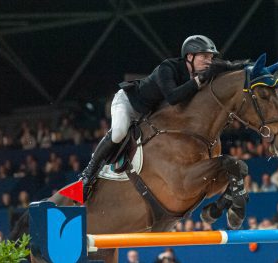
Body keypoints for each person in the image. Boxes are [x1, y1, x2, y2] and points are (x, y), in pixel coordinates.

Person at [78, 35, 246, 198]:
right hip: (129, 103)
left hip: (151, 114)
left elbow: (229, 67)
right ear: (190, 56)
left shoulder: (201, 71)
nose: (209, 61)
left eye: (211, 57)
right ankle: (87, 176)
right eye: (204, 56)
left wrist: (246, 68)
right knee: (119, 132)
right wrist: (198, 81)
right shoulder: (168, 68)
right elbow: (172, 98)